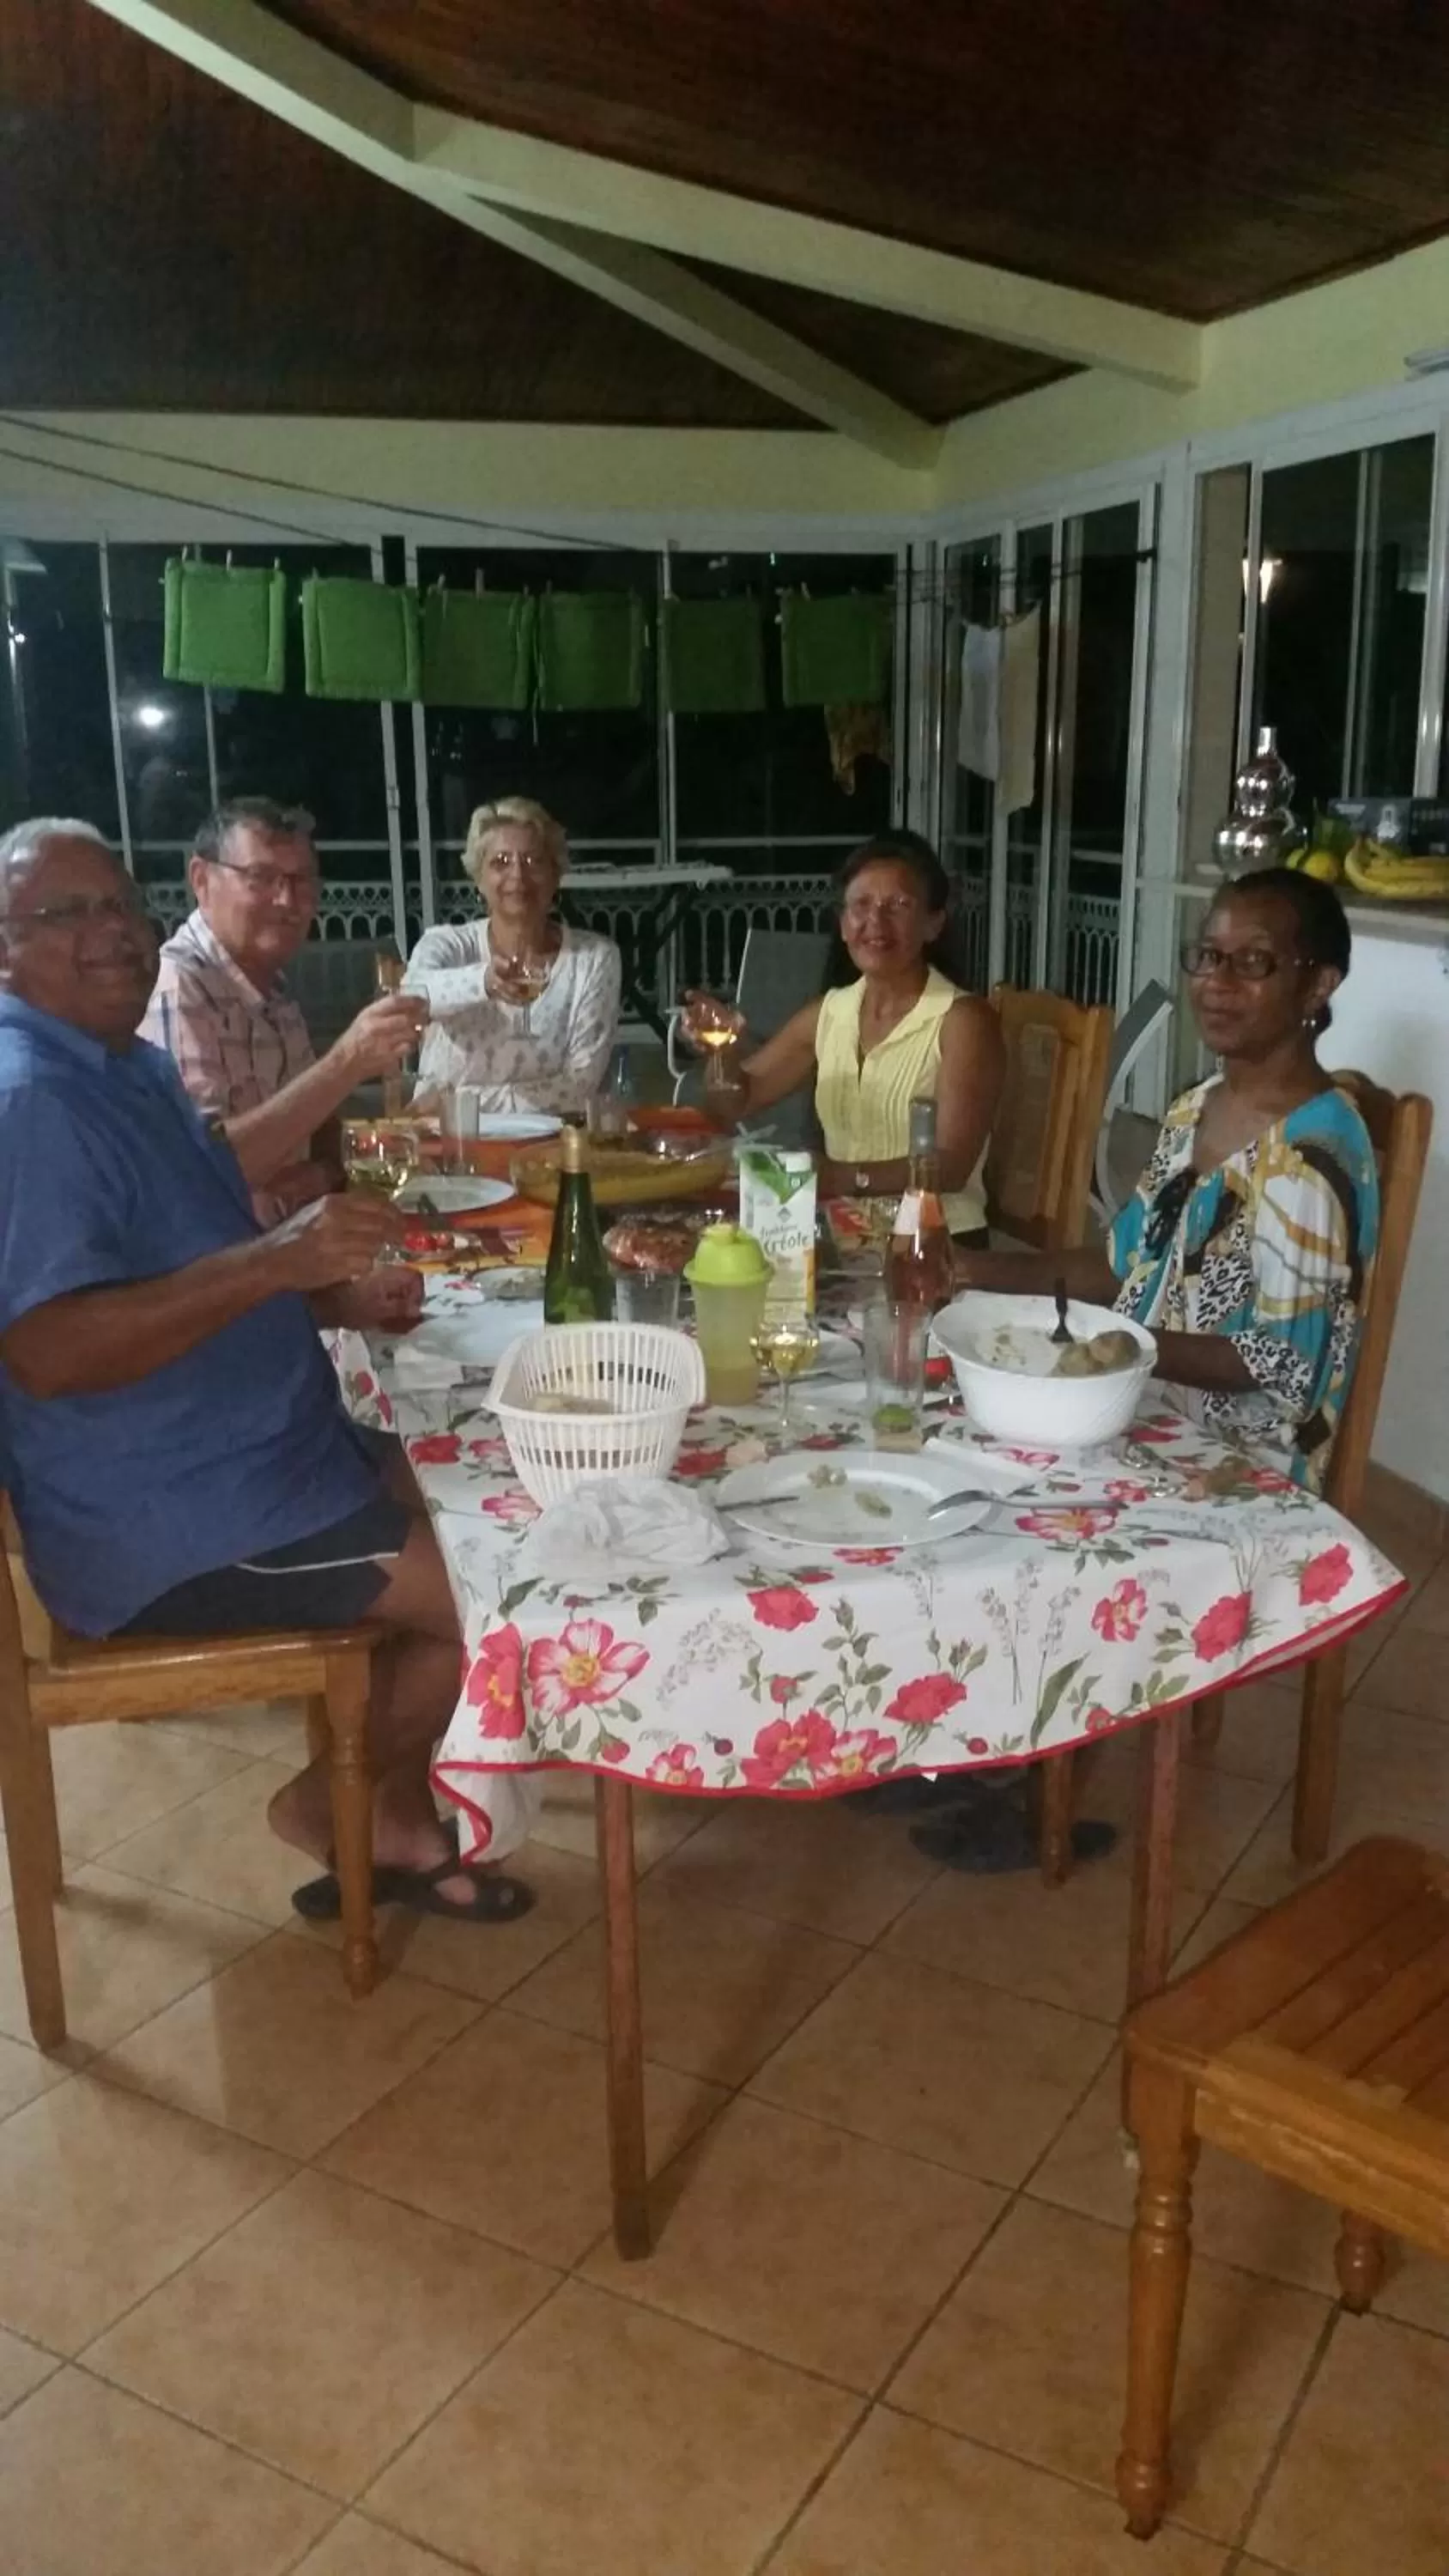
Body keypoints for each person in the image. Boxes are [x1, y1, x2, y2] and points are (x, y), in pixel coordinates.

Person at [0, 818, 529, 1925]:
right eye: (64, 915)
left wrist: (317, 1293)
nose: (109, 935)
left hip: (267, 1452)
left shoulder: (113, 1063)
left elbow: (184, 1241)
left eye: (117, 907)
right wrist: (273, 1265)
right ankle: (323, 1799)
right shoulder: (30, 1102)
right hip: (180, 1518)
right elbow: (47, 1351)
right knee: (504, 1601)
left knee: (505, 1507)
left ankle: (380, 1808)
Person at [891, 865, 1380, 1873]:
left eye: (1253, 963)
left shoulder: (1312, 1161)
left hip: (1247, 1455)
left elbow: (1278, 1368)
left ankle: (1045, 1785)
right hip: (1148, 1398)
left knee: (1037, 1499)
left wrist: (1101, 1358)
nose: (1216, 982)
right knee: (947, 1455)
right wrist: (972, 1270)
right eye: (1207, 956)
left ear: (1316, 985)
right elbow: (1116, 1270)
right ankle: (973, 1730)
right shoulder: (1191, 1110)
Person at [682, 829, 1005, 1243]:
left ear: (933, 923)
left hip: (936, 1242)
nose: (876, 922)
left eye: (899, 906)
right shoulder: (830, 1012)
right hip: (845, 1233)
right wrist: (721, 1046)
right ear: (842, 922)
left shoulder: (963, 1020)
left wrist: (840, 1178)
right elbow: (734, 1102)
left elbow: (953, 1165)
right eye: (861, 905)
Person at [142, 798, 427, 1213]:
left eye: (302, 881)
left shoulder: (270, 987)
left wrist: (324, 1172)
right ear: (201, 880)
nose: (287, 901)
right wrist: (348, 1060)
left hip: (293, 1244)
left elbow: (320, 1128)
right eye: (261, 877)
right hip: (230, 1267)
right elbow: (201, 1175)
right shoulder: (179, 987)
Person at [404, 796, 621, 1115]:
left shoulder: (594, 959)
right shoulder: (446, 945)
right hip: (448, 1139)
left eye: (533, 861)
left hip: (545, 1146)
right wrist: (484, 982)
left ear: (556, 874)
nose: (518, 875)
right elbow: (410, 997)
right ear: (479, 879)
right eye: (500, 862)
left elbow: (578, 1088)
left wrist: (459, 1101)